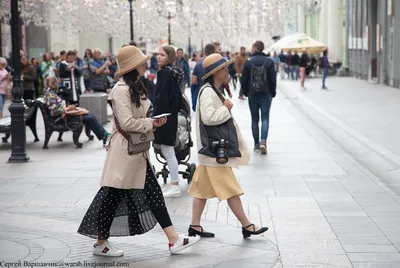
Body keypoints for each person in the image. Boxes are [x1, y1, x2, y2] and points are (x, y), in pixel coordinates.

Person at [77, 45, 200, 256]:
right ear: (133, 66)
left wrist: (154, 119)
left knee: (151, 194)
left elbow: (142, 112)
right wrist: (150, 123)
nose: (146, 64)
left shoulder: (134, 86)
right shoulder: (121, 90)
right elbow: (126, 123)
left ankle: (173, 239)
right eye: (142, 62)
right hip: (124, 153)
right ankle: (101, 242)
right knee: (112, 196)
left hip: (136, 152)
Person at [188, 53, 269, 238]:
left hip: (209, 151)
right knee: (231, 188)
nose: (227, 71)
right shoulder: (208, 91)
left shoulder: (213, 90)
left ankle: (195, 225)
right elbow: (209, 118)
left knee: (201, 189)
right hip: (214, 151)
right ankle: (247, 225)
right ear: (215, 72)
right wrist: (226, 108)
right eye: (224, 68)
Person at [43, 76, 110, 146]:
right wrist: (67, 109)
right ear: (47, 84)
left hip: (64, 115)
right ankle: (104, 136)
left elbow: (56, 108)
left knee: (91, 116)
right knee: (90, 118)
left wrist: (68, 108)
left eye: (55, 82)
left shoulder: (51, 93)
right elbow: (54, 111)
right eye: (52, 82)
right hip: (61, 118)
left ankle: (104, 134)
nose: (54, 84)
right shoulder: (50, 94)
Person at [153, 46, 184, 198]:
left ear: (169, 57)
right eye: (157, 54)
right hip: (170, 115)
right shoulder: (173, 71)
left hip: (164, 117)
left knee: (168, 150)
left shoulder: (165, 73)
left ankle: (175, 185)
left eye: (162, 55)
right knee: (167, 150)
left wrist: (156, 115)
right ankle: (174, 184)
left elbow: (161, 96)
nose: (158, 57)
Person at [241, 41, 276, 154]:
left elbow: (244, 79)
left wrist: (246, 92)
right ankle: (263, 141)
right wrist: (272, 92)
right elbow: (273, 79)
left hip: (253, 95)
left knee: (255, 119)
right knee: (265, 118)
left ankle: (256, 144)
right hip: (266, 94)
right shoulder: (269, 61)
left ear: (255, 48)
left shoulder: (248, 62)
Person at [191, 44, 217, 111]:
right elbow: (225, 80)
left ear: (204, 52)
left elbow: (193, 81)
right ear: (215, 52)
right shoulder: (219, 64)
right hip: (217, 94)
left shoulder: (198, 65)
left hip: (202, 94)